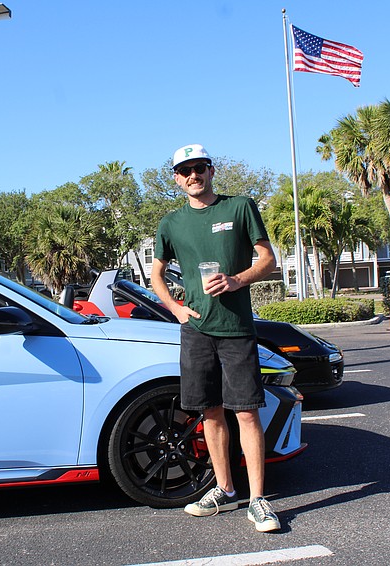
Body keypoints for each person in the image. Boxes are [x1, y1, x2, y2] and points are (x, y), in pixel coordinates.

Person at [150, 144, 280, 533]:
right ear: (176, 178)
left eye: (199, 167)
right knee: (209, 411)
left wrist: (237, 280)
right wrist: (175, 309)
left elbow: (267, 259)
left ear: (211, 171)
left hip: (236, 328)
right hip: (196, 330)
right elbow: (157, 273)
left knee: (246, 412)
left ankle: (258, 500)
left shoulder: (239, 207)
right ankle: (224, 489)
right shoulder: (171, 223)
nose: (193, 175)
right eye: (184, 170)